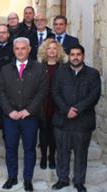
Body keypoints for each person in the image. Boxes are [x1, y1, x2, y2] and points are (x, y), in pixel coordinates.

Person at [0, 37, 48, 191]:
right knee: (10, 148)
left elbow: (42, 92)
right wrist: (10, 111)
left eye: (23, 48)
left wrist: (28, 110)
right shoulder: (5, 69)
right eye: (17, 48)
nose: (20, 51)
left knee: (29, 149)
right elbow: (0, 92)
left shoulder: (39, 69)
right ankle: (12, 177)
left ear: (29, 49)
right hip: (10, 118)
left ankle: (28, 180)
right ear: (13, 50)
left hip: (30, 118)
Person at [51, 44, 101, 192]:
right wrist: (66, 109)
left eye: (78, 54)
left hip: (83, 122)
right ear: (69, 56)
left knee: (81, 153)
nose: (75, 57)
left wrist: (77, 110)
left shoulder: (93, 74)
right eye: (72, 54)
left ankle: (79, 181)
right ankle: (62, 179)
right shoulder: (60, 72)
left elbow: (94, 95)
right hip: (62, 119)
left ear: (83, 56)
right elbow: (55, 92)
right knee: (62, 152)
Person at [37, 38, 67, 169]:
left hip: (58, 104)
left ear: (58, 51)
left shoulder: (64, 67)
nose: (52, 50)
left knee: (55, 133)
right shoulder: (39, 66)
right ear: (45, 50)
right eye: (49, 48)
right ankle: (43, 156)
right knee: (44, 132)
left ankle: (52, 157)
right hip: (43, 104)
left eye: (54, 48)